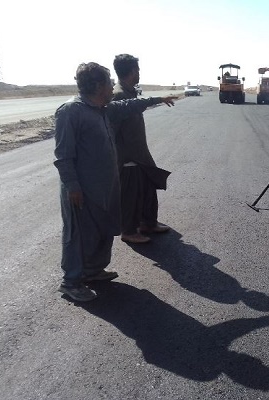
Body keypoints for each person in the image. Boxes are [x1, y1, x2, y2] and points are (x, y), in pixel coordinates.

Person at [54, 62, 177, 302]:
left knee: (103, 230)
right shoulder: (71, 112)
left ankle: (93, 271)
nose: (113, 87)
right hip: (81, 190)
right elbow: (63, 156)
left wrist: (158, 99)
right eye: (109, 82)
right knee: (78, 235)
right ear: (98, 86)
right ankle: (71, 282)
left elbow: (129, 105)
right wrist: (73, 187)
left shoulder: (103, 109)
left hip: (105, 187)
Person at [112, 54, 172, 244]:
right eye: (137, 70)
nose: (139, 73)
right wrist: (121, 157)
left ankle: (148, 223)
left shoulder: (129, 92)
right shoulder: (118, 94)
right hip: (128, 156)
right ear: (131, 71)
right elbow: (112, 130)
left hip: (139, 152)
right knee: (130, 194)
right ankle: (129, 231)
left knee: (148, 188)